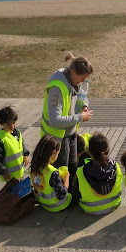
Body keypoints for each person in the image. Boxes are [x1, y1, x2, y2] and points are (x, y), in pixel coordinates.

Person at [40, 52, 94, 186]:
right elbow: (54, 120)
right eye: (82, 78)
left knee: (72, 169)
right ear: (73, 71)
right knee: (61, 174)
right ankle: (61, 197)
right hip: (57, 139)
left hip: (71, 135)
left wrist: (84, 105)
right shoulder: (57, 88)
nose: (83, 82)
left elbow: (81, 95)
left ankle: (70, 195)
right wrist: (80, 117)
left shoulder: (74, 80)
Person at [72, 132, 122, 215]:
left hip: (89, 208)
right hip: (114, 205)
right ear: (107, 150)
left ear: (89, 152)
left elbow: (76, 195)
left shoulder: (81, 172)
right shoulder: (116, 167)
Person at [29, 136, 71, 212]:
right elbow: (61, 195)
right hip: (56, 205)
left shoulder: (34, 166)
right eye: (58, 153)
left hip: (44, 203)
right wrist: (66, 180)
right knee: (70, 195)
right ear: (54, 153)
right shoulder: (52, 172)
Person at [0, 106, 30, 183]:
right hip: (9, 177)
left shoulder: (17, 133)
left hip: (20, 173)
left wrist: (25, 155)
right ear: (1, 124)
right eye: (8, 124)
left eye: (13, 123)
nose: (12, 126)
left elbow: (21, 146)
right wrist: (3, 172)